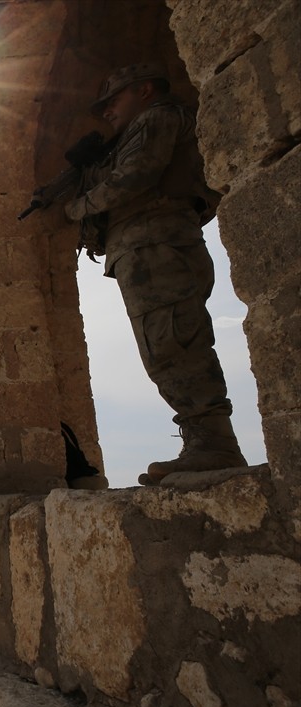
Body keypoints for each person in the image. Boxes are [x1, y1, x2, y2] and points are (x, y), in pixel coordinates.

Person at [65, 63, 246, 485]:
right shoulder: (132, 132)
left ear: (145, 90)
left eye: (115, 99)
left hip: (160, 244)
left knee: (174, 341)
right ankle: (205, 440)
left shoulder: (157, 118)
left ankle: (214, 443)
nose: (107, 111)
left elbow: (136, 176)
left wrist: (79, 207)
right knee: (162, 346)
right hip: (144, 249)